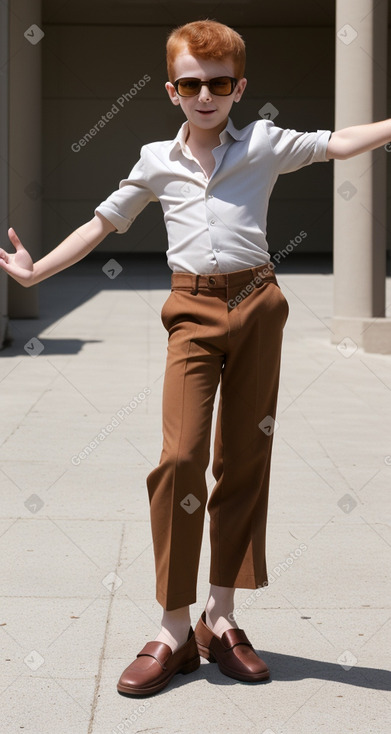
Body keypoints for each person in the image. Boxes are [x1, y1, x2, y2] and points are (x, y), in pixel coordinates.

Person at [1, 18, 390, 698]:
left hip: (258, 304)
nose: (203, 95)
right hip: (192, 311)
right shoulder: (156, 159)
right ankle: (172, 628)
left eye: (217, 83)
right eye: (190, 83)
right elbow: (102, 222)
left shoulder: (264, 143)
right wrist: (36, 275)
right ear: (171, 89)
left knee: (243, 459)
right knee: (179, 458)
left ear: (238, 87)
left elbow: (339, 143)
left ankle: (221, 617)